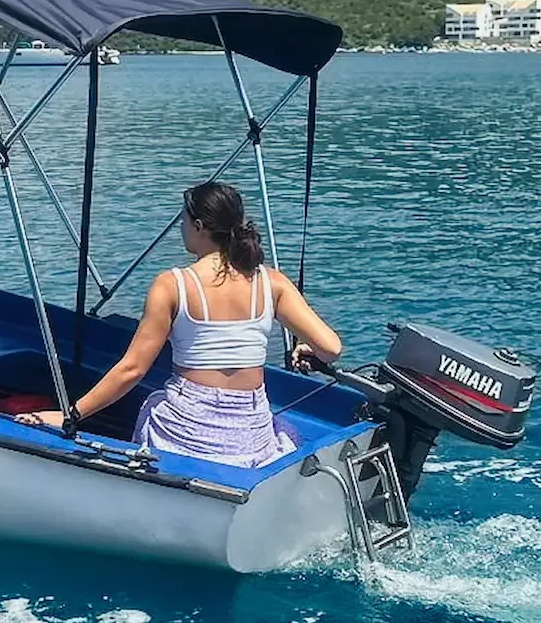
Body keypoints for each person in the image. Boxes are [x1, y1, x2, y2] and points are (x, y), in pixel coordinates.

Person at [19, 181, 342, 468]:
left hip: (189, 431)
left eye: (184, 221)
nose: (182, 228)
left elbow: (132, 370)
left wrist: (70, 416)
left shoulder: (172, 285)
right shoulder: (271, 282)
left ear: (199, 226)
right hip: (249, 435)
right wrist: (306, 351)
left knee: (153, 407)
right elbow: (330, 348)